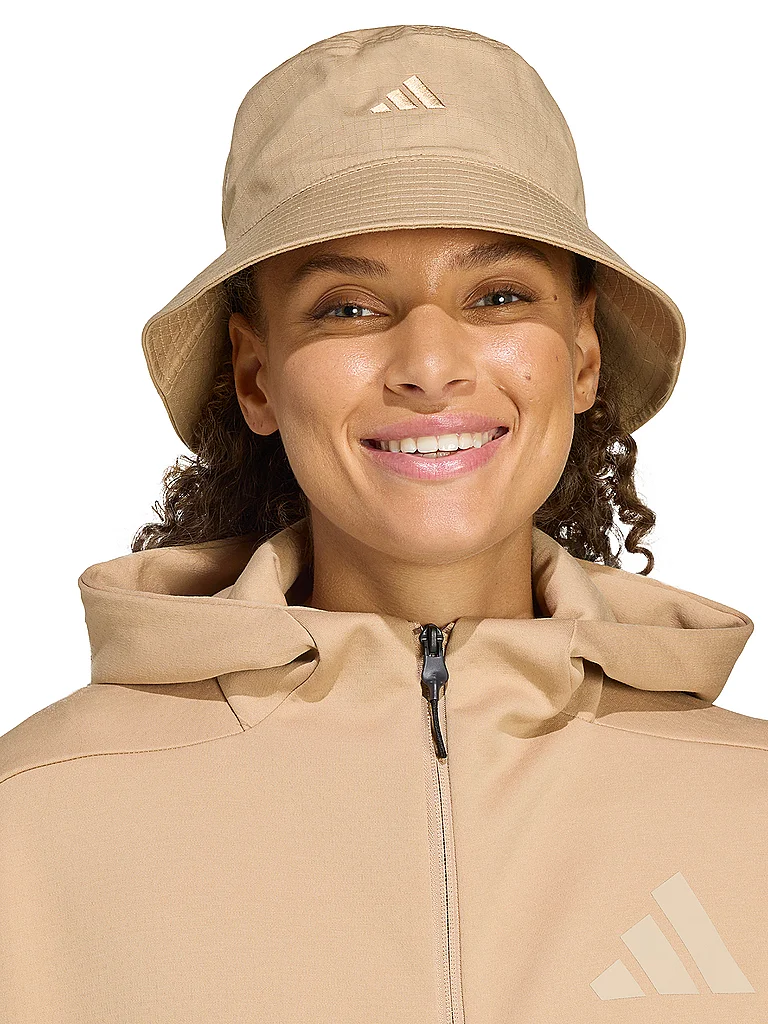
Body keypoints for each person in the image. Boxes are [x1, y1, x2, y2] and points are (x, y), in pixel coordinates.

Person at [1, 23, 766, 1023]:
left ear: (582, 357)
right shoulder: (34, 821)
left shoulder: (749, 810)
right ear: (255, 374)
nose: (430, 364)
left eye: (498, 296)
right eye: (349, 308)